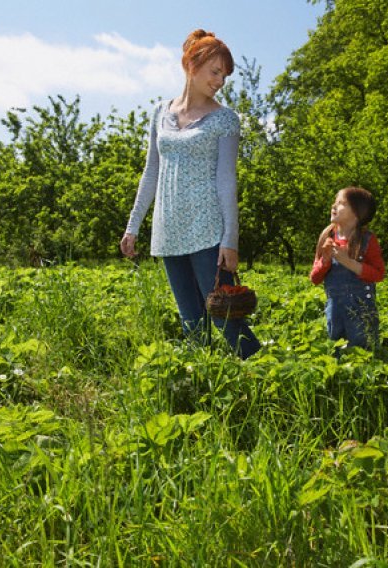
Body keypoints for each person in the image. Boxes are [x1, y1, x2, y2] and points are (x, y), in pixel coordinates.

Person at [120, 29, 261, 359]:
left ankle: (268, 382)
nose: (220, 81)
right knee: (192, 324)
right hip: (169, 232)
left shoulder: (225, 119)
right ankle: (204, 390)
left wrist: (230, 239)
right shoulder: (160, 112)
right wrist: (133, 226)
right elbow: (151, 172)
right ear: (191, 65)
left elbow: (227, 180)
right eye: (215, 72)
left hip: (208, 232)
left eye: (224, 76)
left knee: (228, 320)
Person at [309, 187, 385, 350]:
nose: (334, 206)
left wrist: (347, 261)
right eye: (335, 202)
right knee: (337, 348)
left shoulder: (367, 240)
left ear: (358, 212)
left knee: (363, 350)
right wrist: (326, 260)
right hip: (335, 310)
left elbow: (378, 274)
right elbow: (314, 278)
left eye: (341, 203)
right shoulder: (327, 237)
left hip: (362, 310)